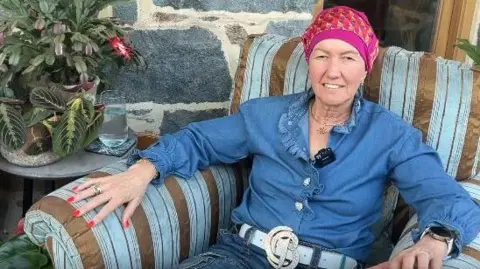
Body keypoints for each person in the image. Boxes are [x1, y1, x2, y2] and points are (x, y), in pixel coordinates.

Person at [68, 6, 480, 269]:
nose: (333, 71)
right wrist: (143, 169)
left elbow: (446, 197)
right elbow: (199, 141)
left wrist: (436, 241)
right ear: (310, 60)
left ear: (365, 68)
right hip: (240, 258)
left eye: (348, 57)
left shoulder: (391, 135)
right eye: (322, 55)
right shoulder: (266, 115)